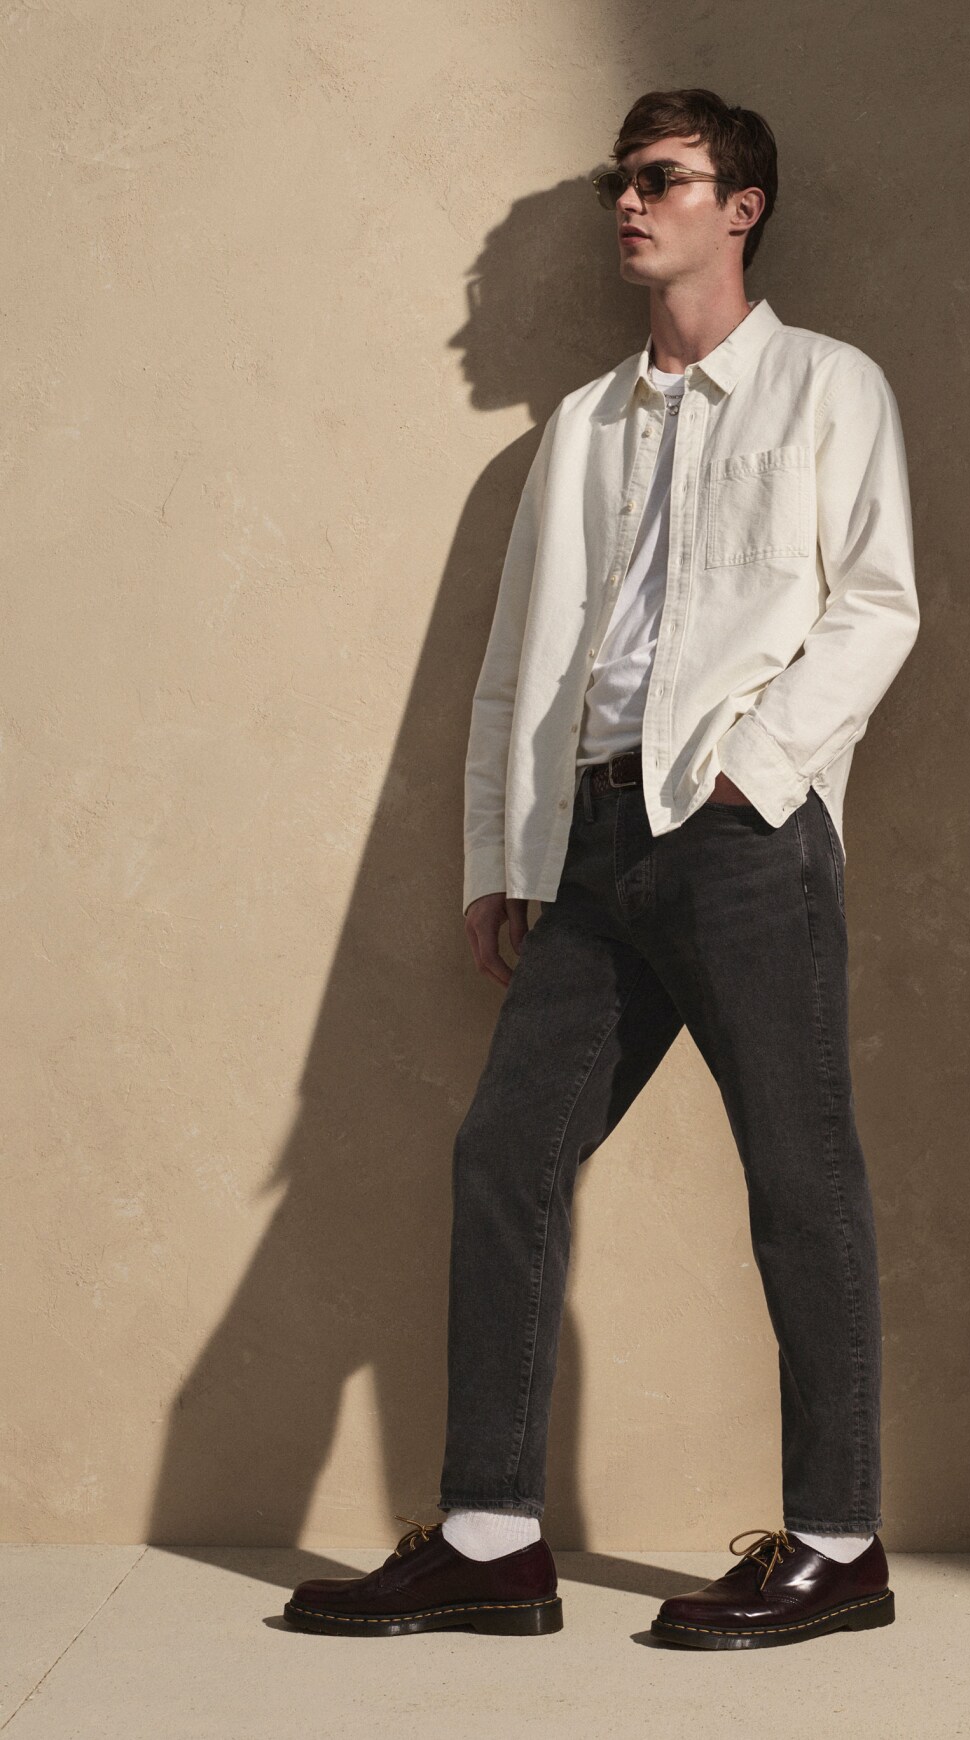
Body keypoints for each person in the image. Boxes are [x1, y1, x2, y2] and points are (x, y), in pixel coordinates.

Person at [285, 86, 918, 1651]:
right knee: (505, 1155)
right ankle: (493, 1541)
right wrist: (503, 854)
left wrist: (756, 771)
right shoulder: (583, 425)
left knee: (800, 1179)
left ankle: (839, 1547)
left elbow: (879, 604)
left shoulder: (828, 387)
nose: (630, 205)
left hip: (745, 840)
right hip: (591, 847)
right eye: (619, 185)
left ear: (740, 205)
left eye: (662, 179)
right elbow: (520, 664)